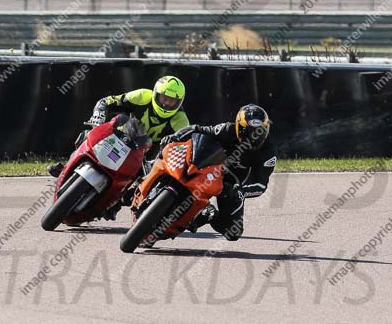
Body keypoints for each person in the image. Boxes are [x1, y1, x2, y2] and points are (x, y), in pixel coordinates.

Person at [160, 103, 276, 241]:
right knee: (170, 157)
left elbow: (261, 185)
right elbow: (198, 129)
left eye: (259, 133)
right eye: (248, 133)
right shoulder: (227, 129)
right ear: (239, 127)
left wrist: (241, 191)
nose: (253, 139)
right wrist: (175, 136)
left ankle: (207, 213)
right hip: (205, 169)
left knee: (234, 232)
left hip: (230, 186)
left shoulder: (268, 153)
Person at [48, 75, 188, 178]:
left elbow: (185, 145)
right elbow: (106, 102)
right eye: (164, 98)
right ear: (156, 94)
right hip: (123, 136)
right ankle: (68, 167)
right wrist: (98, 116)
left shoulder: (180, 119)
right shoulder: (141, 96)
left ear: (179, 103)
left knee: (150, 180)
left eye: (172, 101)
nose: (166, 104)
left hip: (147, 156)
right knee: (88, 135)